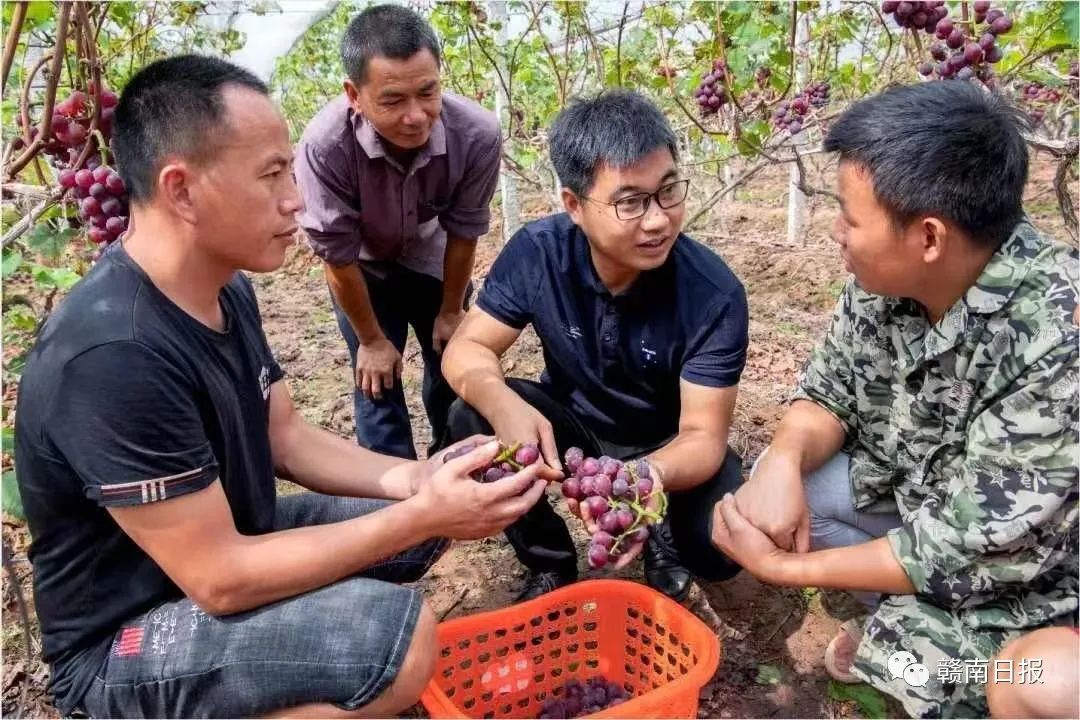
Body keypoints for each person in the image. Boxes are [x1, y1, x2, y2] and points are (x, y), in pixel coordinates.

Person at [14, 55, 551, 719]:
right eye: (271, 175)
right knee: (397, 638)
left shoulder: (224, 289)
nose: (295, 197)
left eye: (290, 170)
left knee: (418, 519)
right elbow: (220, 578)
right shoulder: (113, 353)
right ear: (182, 190)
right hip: (126, 638)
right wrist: (421, 512)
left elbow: (286, 437)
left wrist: (420, 481)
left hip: (225, 543)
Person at [712, 81, 1078, 718]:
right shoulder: (884, 278)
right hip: (933, 511)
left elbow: (964, 547)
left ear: (928, 237)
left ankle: (931, 648)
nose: (837, 233)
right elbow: (828, 391)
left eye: (850, 219)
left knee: (1024, 678)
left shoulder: (1057, 335)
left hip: (1034, 575)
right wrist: (782, 458)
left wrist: (780, 569)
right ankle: (904, 625)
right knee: (792, 487)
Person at [440, 89, 748, 602]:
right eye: (630, 202)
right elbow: (466, 349)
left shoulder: (713, 295)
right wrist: (500, 402)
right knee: (469, 417)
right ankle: (550, 559)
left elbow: (703, 435)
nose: (658, 219)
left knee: (716, 548)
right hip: (573, 430)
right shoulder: (539, 254)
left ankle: (665, 535)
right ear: (574, 206)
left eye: (668, 191)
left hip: (667, 443)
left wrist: (646, 477)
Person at [294, 4, 502, 460]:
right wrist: (371, 340)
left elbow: (464, 230)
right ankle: (394, 492)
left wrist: (451, 310)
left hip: (434, 259)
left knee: (452, 367)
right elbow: (337, 257)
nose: (416, 116)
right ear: (354, 95)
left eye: (427, 93)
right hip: (362, 269)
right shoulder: (324, 148)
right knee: (377, 383)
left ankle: (457, 469)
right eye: (392, 101)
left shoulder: (477, 134)